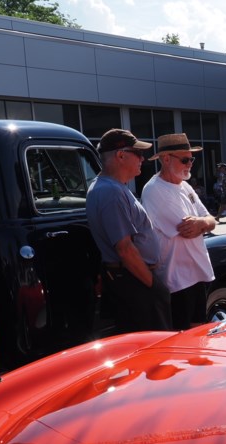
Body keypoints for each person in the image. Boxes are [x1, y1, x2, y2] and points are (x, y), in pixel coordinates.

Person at [85, 128, 172, 333]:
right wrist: (153, 286)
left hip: (130, 279)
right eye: (138, 153)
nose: (143, 158)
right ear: (121, 155)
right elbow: (125, 249)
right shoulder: (110, 191)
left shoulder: (112, 187)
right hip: (134, 281)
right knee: (153, 348)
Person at [142, 133, 217, 330]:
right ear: (166, 159)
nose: (190, 164)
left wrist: (202, 222)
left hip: (197, 272)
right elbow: (187, 229)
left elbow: (210, 219)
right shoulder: (155, 190)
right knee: (181, 338)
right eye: (185, 159)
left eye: (191, 159)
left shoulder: (184, 186)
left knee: (199, 331)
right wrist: (203, 224)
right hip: (177, 278)